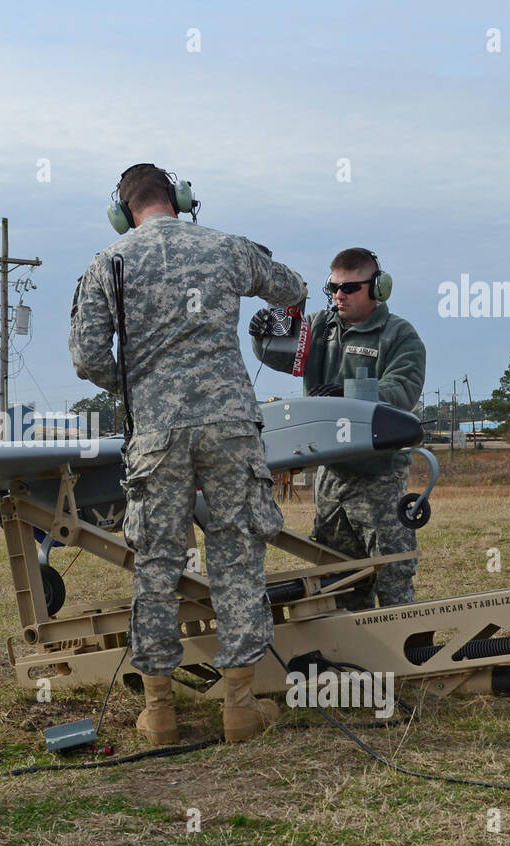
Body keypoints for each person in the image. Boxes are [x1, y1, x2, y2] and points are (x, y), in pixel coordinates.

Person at [69, 163, 307, 745]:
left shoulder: (108, 263)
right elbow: (293, 288)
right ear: (179, 198)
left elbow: (87, 357)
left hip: (157, 433)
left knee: (156, 564)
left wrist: (138, 383)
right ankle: (240, 708)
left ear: (122, 212)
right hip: (230, 427)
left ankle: (160, 714)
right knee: (237, 556)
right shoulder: (227, 247)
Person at [268, 247, 426, 609]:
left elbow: (401, 391)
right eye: (333, 287)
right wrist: (266, 333)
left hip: (379, 478)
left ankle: (405, 641)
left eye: (350, 288)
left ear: (378, 288)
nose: (339, 295)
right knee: (336, 576)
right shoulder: (319, 327)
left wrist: (346, 394)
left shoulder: (399, 336)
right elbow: (280, 355)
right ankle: (351, 643)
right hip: (331, 475)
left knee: (393, 573)